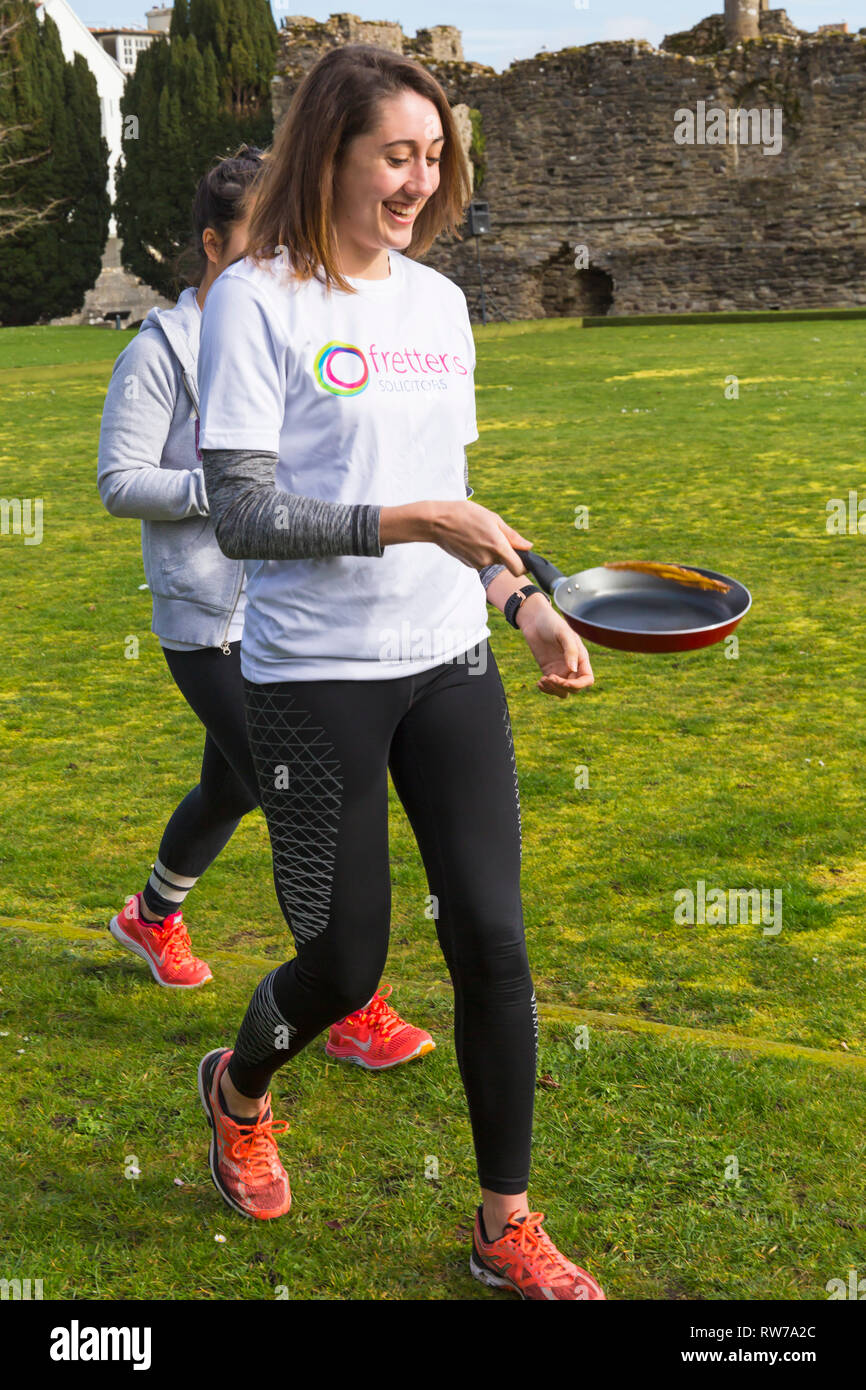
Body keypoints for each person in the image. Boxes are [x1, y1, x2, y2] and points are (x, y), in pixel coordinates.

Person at [196, 44, 605, 1300]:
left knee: (492, 937)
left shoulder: (435, 303)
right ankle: (238, 1083)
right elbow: (241, 513)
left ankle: (502, 1223)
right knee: (346, 967)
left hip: (447, 661)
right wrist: (410, 523)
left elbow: (456, 496)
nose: (419, 181)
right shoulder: (254, 300)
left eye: (435, 156)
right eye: (396, 154)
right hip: (312, 677)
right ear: (330, 152)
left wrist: (519, 598)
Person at [96, 146, 434, 1068]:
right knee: (306, 801)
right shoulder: (159, 351)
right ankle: (348, 997)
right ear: (212, 243)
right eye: (263, 237)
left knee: (237, 783)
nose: (286, 253)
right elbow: (120, 481)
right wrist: (234, 494)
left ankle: (149, 915)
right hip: (209, 618)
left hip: (294, 614)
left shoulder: (297, 327)